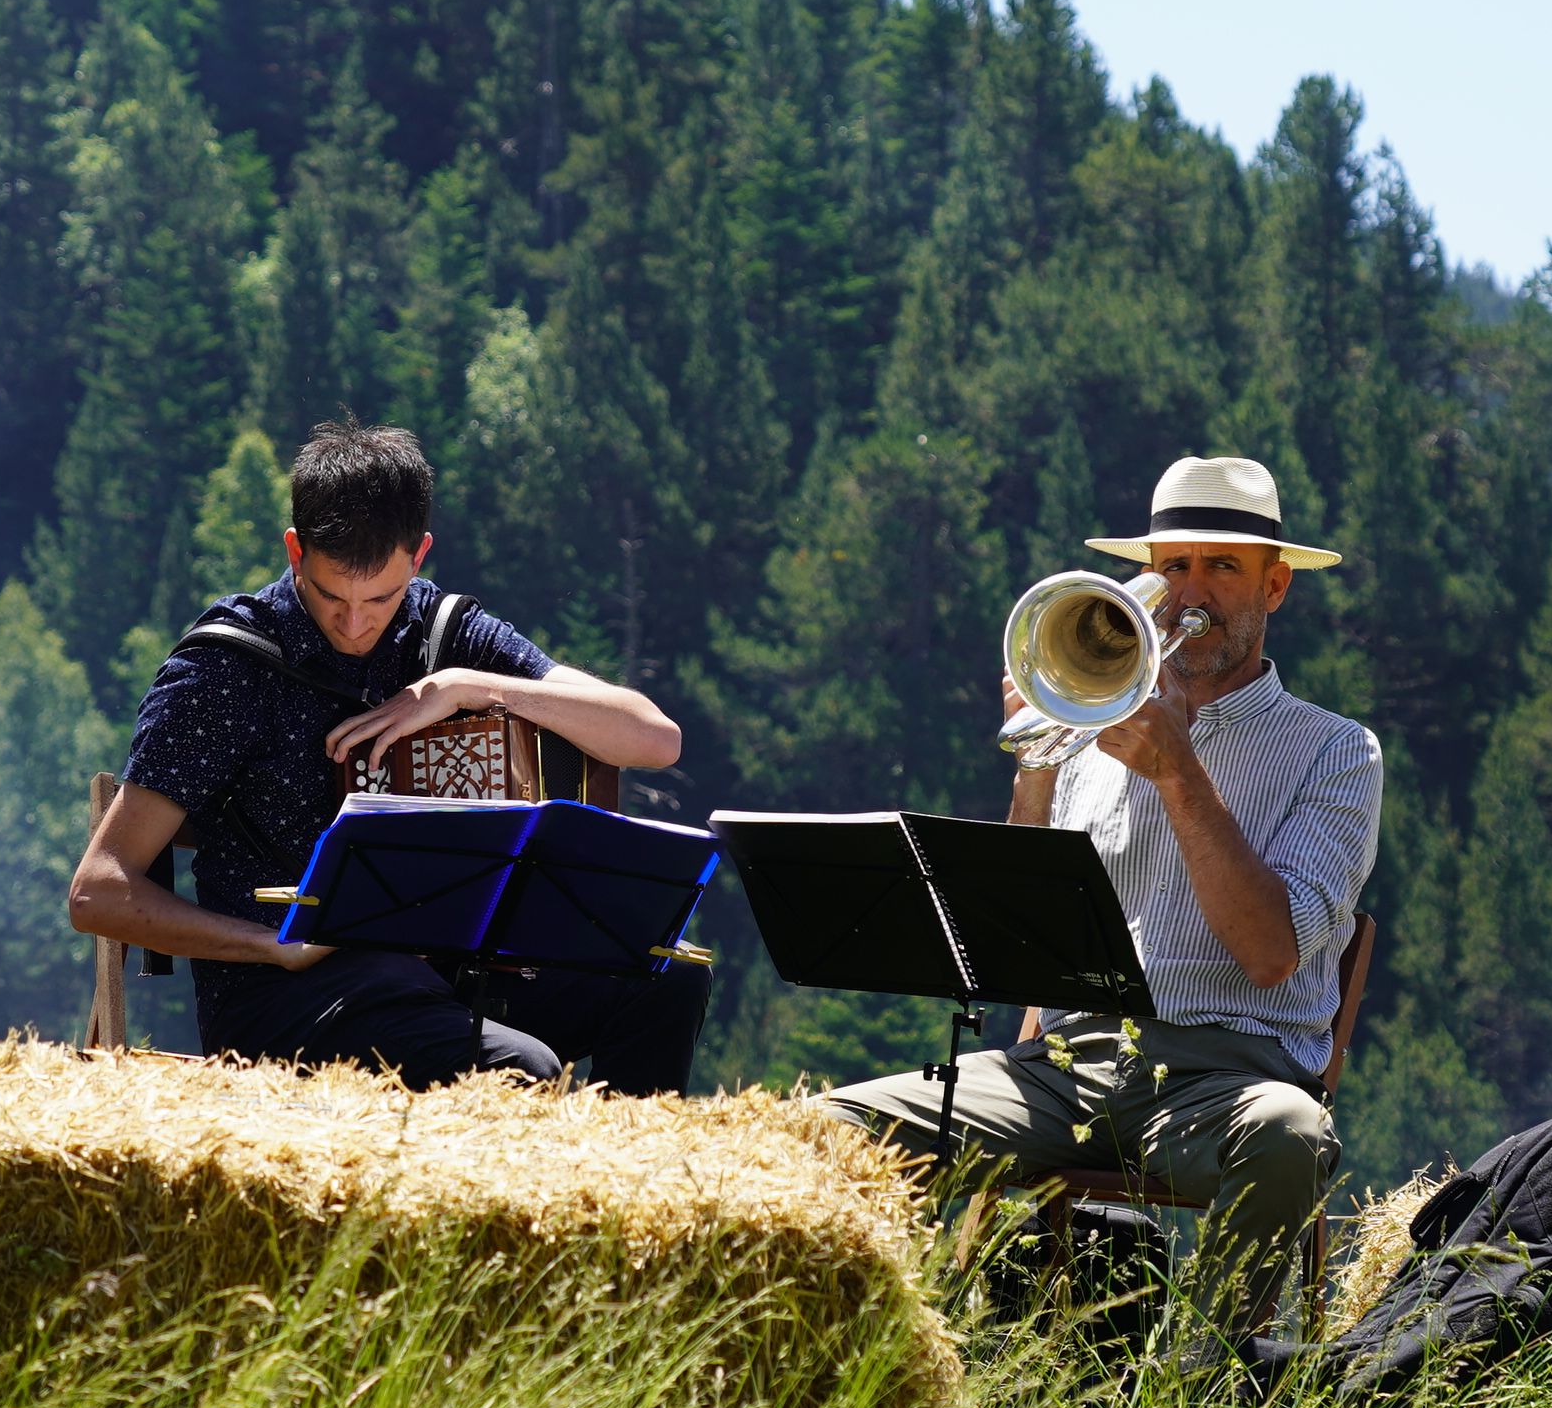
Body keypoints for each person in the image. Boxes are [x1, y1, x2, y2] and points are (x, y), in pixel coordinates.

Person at [805, 452, 1383, 1338]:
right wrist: (1037, 753)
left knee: (1290, 1137)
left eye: (1222, 567)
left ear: (1275, 590)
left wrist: (1179, 770)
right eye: (1172, 566)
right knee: (826, 1128)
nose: (1191, 593)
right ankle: (889, 1368)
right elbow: (1011, 939)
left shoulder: (1336, 752)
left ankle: (1209, 1393)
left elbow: (1270, 953)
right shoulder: (1092, 726)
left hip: (1226, 1076)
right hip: (1069, 1068)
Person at [68, 419, 710, 1089]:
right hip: (283, 995)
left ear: (419, 555)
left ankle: (617, 1189)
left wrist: (468, 687)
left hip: (444, 977)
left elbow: (653, 739)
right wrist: (272, 945)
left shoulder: (447, 636)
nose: (355, 623)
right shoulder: (226, 669)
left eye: (380, 597)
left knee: (669, 979)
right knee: (520, 1068)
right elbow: (97, 892)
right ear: (295, 551)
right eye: (329, 595)